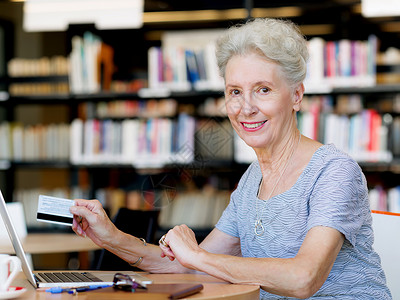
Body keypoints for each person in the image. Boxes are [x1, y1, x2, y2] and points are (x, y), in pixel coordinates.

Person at [70, 18, 392, 299]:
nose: (245, 107)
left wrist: (198, 258)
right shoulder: (253, 179)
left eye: (263, 89)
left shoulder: (334, 171)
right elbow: (186, 267)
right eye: (235, 91)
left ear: (296, 95)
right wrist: (111, 237)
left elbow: (303, 278)